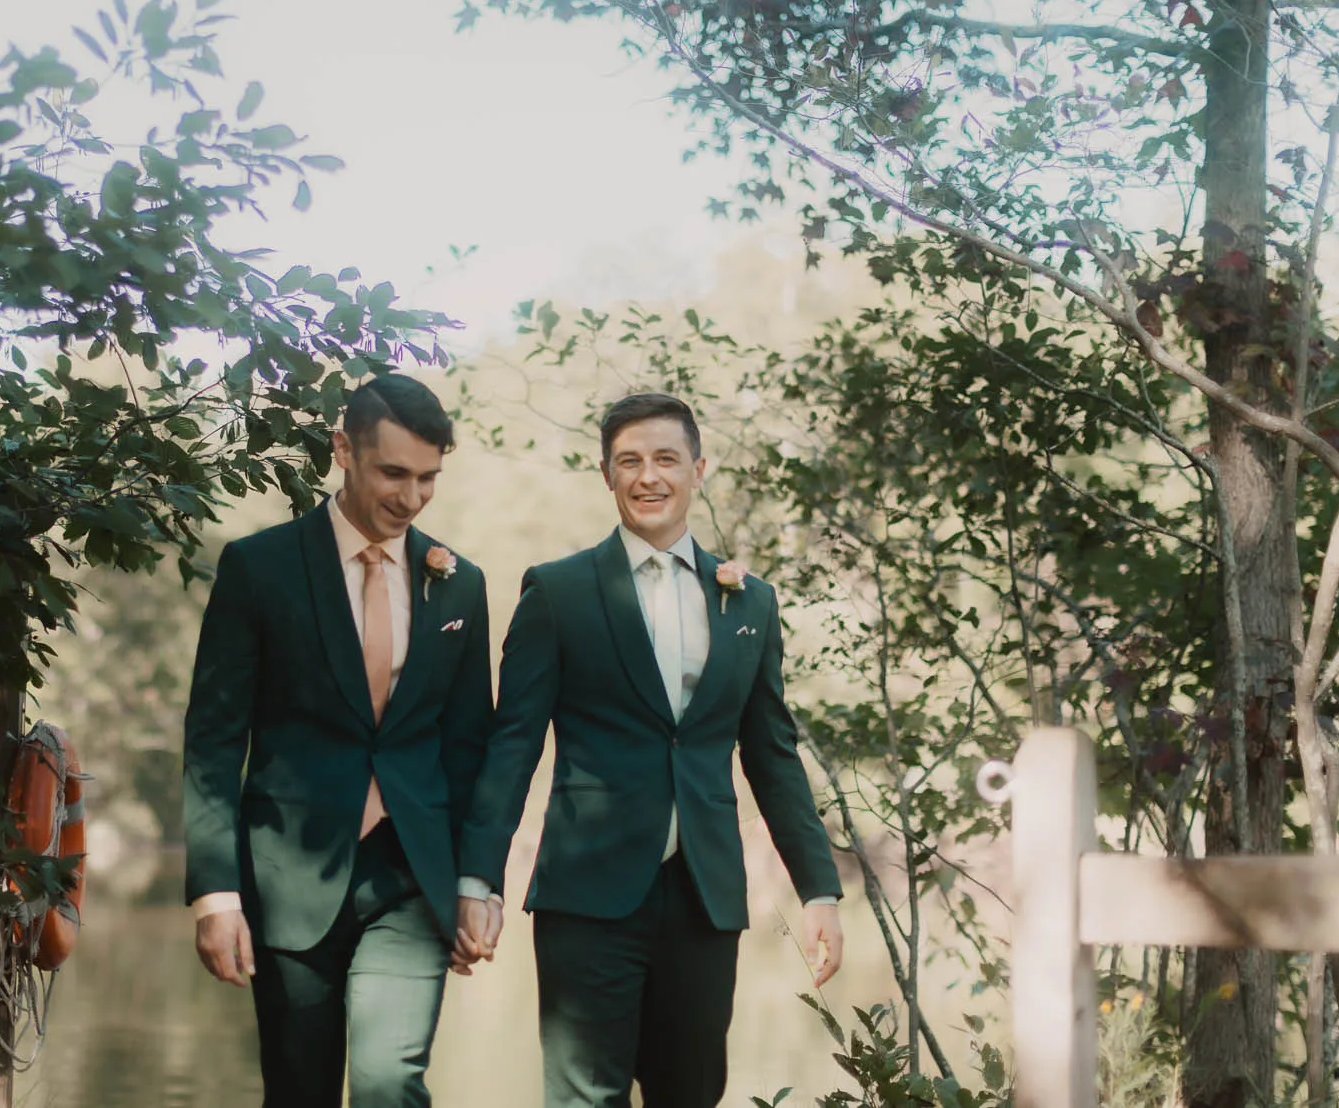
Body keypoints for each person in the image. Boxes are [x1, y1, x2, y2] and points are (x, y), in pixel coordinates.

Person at [457, 391, 844, 1108]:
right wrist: (479, 879)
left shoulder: (749, 601)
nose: (648, 476)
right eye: (629, 461)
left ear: (698, 468)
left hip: (704, 898)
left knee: (692, 1094)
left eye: (666, 458)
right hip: (587, 895)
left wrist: (817, 885)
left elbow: (772, 754)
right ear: (606, 474)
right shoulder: (559, 592)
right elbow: (512, 743)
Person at [181, 373, 497, 1107]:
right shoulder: (259, 568)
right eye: (393, 472)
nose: (411, 497)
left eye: (428, 478)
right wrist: (215, 893)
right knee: (298, 1091)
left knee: (391, 1082)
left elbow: (468, 747)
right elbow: (215, 740)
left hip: (411, 875)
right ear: (342, 450)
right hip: (289, 875)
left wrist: (476, 879)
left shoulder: (459, 584)